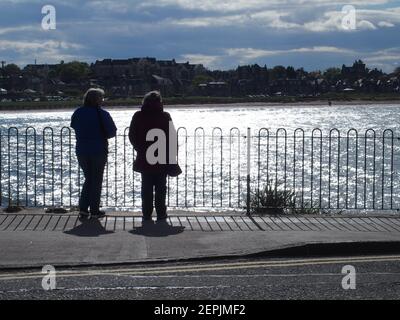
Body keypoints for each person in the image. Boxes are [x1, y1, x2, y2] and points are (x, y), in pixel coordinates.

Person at [129, 91, 181, 222]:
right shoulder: (165, 116)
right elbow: (172, 136)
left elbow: (132, 135)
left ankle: (146, 213)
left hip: (145, 155)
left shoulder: (138, 115)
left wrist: (138, 148)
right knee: (161, 187)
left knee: (146, 187)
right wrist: (172, 154)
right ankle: (161, 213)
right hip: (162, 155)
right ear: (160, 102)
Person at [71, 88, 117, 218]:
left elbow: (74, 126)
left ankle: (84, 208)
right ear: (97, 100)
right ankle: (94, 210)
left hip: (81, 150)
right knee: (96, 180)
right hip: (98, 149)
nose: (102, 100)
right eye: (101, 98)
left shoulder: (78, 112)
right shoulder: (102, 114)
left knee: (89, 179)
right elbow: (112, 132)